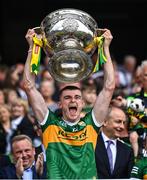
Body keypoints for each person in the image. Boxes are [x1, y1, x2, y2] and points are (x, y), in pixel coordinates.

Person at [23, 28, 115, 179]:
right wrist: (32, 47)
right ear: (60, 104)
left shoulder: (91, 124)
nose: (73, 100)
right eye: (67, 98)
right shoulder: (50, 124)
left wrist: (105, 47)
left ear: (83, 102)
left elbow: (109, 87)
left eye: (77, 97)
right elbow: (28, 86)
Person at [95, 106, 134, 179]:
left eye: (124, 123)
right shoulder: (90, 144)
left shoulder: (128, 151)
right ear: (105, 122)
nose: (122, 126)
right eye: (118, 122)